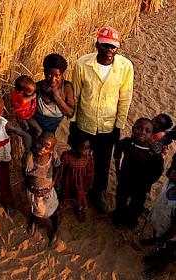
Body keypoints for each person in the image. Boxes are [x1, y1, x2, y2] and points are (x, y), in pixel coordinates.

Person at [70, 26, 134, 215]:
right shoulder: (82, 64)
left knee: (103, 162)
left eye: (113, 47)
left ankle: (97, 193)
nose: (108, 51)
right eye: (105, 46)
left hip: (108, 125)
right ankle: (78, 189)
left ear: (118, 48)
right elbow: (76, 95)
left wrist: (118, 126)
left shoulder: (125, 67)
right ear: (97, 45)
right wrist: (73, 123)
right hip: (85, 122)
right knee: (80, 158)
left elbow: (125, 98)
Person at [112, 118, 164, 229]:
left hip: (141, 186)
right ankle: (118, 217)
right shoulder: (126, 143)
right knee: (121, 200)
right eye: (139, 128)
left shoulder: (153, 153)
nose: (142, 132)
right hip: (124, 181)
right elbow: (117, 152)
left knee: (136, 205)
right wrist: (118, 171)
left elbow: (158, 170)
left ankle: (131, 220)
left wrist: (148, 183)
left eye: (147, 130)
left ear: (152, 134)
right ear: (133, 128)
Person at [141, 154, 176, 279]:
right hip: (162, 223)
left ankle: (158, 269)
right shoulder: (171, 184)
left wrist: (164, 239)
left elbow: (173, 230)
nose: (173, 173)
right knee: (158, 237)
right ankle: (156, 244)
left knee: (166, 251)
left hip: (171, 236)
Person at [24, 132, 60, 247]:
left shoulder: (52, 159)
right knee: (34, 208)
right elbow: (24, 173)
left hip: (47, 192)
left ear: (51, 150)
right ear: (37, 141)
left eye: (46, 148)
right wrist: (29, 186)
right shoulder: (30, 158)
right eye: (40, 144)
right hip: (33, 191)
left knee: (52, 212)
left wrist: (52, 184)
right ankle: (33, 220)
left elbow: (58, 170)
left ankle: (55, 229)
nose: (42, 149)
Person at [34, 53, 75, 134]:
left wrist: (56, 96)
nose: (53, 79)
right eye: (49, 75)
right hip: (39, 133)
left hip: (59, 134)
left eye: (57, 76)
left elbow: (70, 113)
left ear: (62, 75)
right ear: (44, 72)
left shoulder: (66, 87)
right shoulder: (37, 87)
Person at [57, 135, 94, 222]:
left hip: (81, 183)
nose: (87, 151)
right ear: (75, 147)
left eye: (88, 148)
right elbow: (61, 169)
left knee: (80, 196)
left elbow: (90, 171)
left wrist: (89, 183)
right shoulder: (66, 156)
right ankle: (60, 204)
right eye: (84, 149)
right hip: (68, 181)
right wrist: (59, 181)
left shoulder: (88, 158)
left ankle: (79, 209)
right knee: (64, 193)